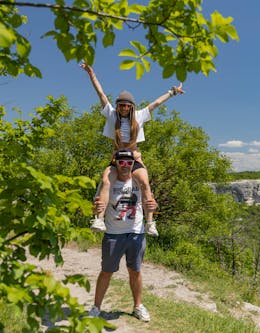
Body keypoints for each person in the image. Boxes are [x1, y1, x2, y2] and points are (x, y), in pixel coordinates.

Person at [81, 62, 184, 236]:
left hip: (133, 157)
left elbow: (156, 104)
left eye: (127, 105)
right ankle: (99, 219)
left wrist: (172, 92)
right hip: (117, 158)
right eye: (121, 105)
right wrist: (92, 74)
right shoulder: (112, 115)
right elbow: (101, 94)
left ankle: (150, 222)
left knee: (144, 182)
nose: (124, 108)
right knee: (106, 181)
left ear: (131, 106)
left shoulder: (138, 116)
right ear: (118, 105)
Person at [88, 149, 158, 321]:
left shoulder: (139, 181)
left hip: (136, 233)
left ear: (133, 164)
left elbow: (150, 202)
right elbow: (97, 205)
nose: (125, 166)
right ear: (116, 163)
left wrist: (153, 206)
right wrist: (96, 211)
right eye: (121, 162)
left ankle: (138, 306)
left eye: (129, 162)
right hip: (114, 234)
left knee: (135, 271)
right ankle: (96, 308)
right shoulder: (108, 183)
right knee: (106, 271)